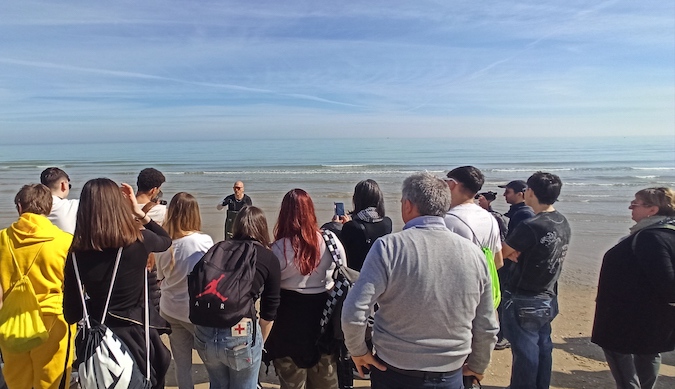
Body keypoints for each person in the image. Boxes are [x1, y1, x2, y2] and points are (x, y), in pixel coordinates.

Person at [341, 172, 498, 389]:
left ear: (408, 205)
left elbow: (354, 312)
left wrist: (358, 352)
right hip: (450, 370)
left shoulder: (389, 247)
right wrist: (478, 365)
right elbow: (487, 324)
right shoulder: (474, 254)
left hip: (395, 371)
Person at [63, 178, 172, 389]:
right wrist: (139, 212)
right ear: (118, 205)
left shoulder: (76, 254)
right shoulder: (139, 241)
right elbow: (165, 240)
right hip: (137, 337)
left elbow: (72, 314)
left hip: (100, 342)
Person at [591, 187, 675, 389]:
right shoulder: (666, 233)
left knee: (621, 357)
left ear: (652, 210)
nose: (630, 206)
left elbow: (668, 283)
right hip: (649, 319)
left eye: (635, 203)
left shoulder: (651, 237)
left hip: (629, 319)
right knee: (648, 353)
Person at [192, 206, 281, 389]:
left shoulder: (218, 249)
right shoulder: (267, 257)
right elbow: (269, 311)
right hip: (239, 332)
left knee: (217, 385)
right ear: (262, 227)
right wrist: (258, 343)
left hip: (204, 332)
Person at [266, 189, 346, 389]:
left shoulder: (277, 249)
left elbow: (268, 288)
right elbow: (344, 273)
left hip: (287, 329)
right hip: (323, 326)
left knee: (291, 383)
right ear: (311, 211)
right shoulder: (330, 241)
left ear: (283, 213)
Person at [501, 171, 571, 389]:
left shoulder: (532, 225)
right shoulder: (561, 220)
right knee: (543, 347)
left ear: (529, 192)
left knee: (526, 353)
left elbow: (503, 252)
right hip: (548, 293)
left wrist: (509, 252)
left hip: (525, 296)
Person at [0, 184, 75, 389]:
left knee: (17, 379)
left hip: (13, 319)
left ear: (19, 207)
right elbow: (75, 286)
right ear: (49, 208)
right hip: (54, 318)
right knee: (52, 379)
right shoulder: (65, 241)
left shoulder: (2, 239)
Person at [155, 192, 214, 389]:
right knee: (212, 362)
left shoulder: (164, 244)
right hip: (194, 311)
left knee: (182, 364)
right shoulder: (203, 241)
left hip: (170, 308)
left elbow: (160, 276)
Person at [496, 180, 535, 351]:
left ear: (521, 193)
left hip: (512, 264)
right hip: (509, 261)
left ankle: (503, 335)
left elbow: (517, 242)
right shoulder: (517, 212)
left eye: (508, 192)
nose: (505, 195)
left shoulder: (524, 213)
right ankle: (503, 333)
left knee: (505, 299)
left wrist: (508, 252)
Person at [444, 166, 504, 271]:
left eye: (446, 182)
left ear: (452, 184)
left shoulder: (447, 220)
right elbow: (498, 262)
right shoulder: (489, 218)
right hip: (483, 284)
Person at [340, 179, 393, 271]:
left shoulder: (351, 227)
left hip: (356, 276)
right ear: (379, 198)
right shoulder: (387, 223)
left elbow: (342, 252)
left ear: (356, 199)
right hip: (380, 273)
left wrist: (337, 225)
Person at [40, 167, 79, 234]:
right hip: (67, 243)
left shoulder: (35, 206)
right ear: (63, 185)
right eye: (69, 186)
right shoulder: (74, 205)